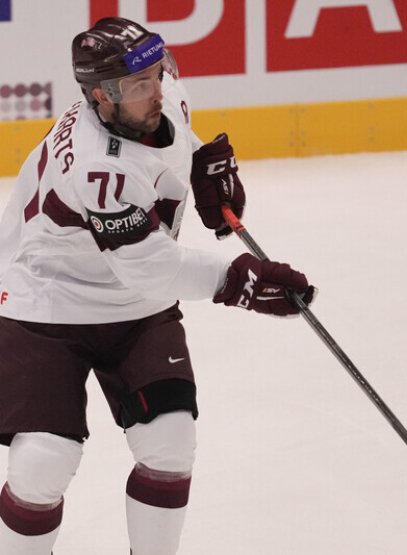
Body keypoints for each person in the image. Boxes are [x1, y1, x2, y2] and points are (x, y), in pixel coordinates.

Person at [0, 17, 315, 555]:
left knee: (170, 443)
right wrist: (236, 279)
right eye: (139, 85)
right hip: (47, 302)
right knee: (42, 465)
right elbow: (149, 267)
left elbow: (174, 133)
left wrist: (199, 164)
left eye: (155, 75)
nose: (156, 90)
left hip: (135, 308)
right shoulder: (100, 168)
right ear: (100, 96)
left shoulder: (159, 91)